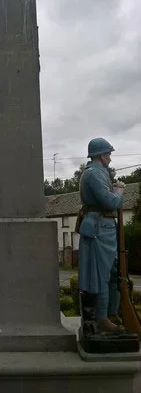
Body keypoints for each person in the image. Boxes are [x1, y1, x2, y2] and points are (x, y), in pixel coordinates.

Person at [78, 137, 125, 333]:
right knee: (102, 275)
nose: (110, 158)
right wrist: (119, 191)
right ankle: (102, 319)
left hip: (104, 228)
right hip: (99, 229)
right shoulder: (94, 174)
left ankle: (112, 313)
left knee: (114, 274)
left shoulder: (99, 172)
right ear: (100, 155)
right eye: (108, 154)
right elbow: (110, 203)